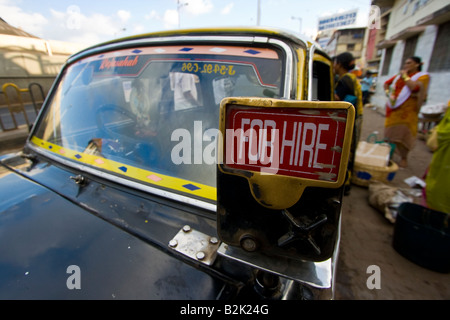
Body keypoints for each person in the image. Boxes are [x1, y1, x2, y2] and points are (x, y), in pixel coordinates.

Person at [384, 56, 430, 168]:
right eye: (405, 63)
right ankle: (388, 155)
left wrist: (404, 76)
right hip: (394, 110)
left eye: (409, 63)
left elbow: (414, 88)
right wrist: (388, 93)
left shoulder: (422, 77)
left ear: (417, 65)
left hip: (408, 112)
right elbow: (386, 84)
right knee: (390, 134)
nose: (406, 65)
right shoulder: (398, 76)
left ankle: (404, 158)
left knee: (404, 135)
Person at [333, 52, 363, 194]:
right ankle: (347, 181)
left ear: (338, 64)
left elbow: (339, 99)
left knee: (345, 148)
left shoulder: (345, 79)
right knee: (350, 148)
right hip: (356, 116)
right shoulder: (353, 78)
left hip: (349, 117)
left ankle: (345, 182)